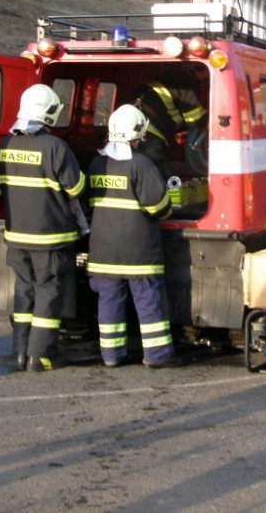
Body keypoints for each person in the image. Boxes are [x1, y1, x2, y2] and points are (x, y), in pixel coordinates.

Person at [0, 84, 86, 373]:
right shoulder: (54, 147)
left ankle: (20, 352)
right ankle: (41, 356)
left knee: (24, 292)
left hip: (16, 238)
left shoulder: (4, 146)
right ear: (49, 114)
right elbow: (75, 188)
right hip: (51, 238)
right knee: (48, 293)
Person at [85, 104, 182, 368]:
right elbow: (158, 208)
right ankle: (157, 356)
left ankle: (111, 356)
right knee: (148, 303)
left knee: (109, 304)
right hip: (138, 254)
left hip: (103, 252)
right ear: (139, 134)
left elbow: (89, 203)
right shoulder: (141, 164)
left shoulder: (97, 163)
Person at [129, 74, 207, 179]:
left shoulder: (160, 84)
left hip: (126, 135)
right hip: (148, 137)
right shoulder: (184, 80)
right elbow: (198, 119)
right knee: (161, 178)